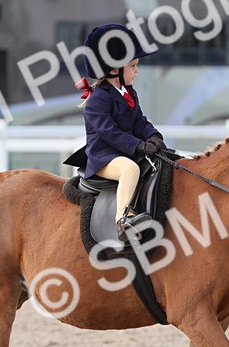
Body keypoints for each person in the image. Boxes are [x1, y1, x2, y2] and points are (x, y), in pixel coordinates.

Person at [65, 24, 167, 241]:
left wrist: (153, 136)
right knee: (130, 169)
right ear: (114, 70)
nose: (137, 71)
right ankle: (123, 219)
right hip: (104, 157)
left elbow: (139, 121)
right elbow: (109, 132)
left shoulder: (128, 92)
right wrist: (138, 146)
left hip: (123, 152)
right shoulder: (98, 99)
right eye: (133, 66)